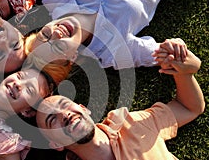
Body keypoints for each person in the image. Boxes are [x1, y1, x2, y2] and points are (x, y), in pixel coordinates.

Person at [35, 47, 205, 159]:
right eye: (52, 121)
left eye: (65, 105)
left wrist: (184, 73)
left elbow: (188, 108)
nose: (64, 115)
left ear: (84, 108)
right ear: (56, 144)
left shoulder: (131, 124)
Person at [23, 0, 187, 85]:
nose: (56, 34)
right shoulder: (113, 51)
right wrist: (174, 48)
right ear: (71, 57)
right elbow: (164, 54)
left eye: (45, 35)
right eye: (57, 47)